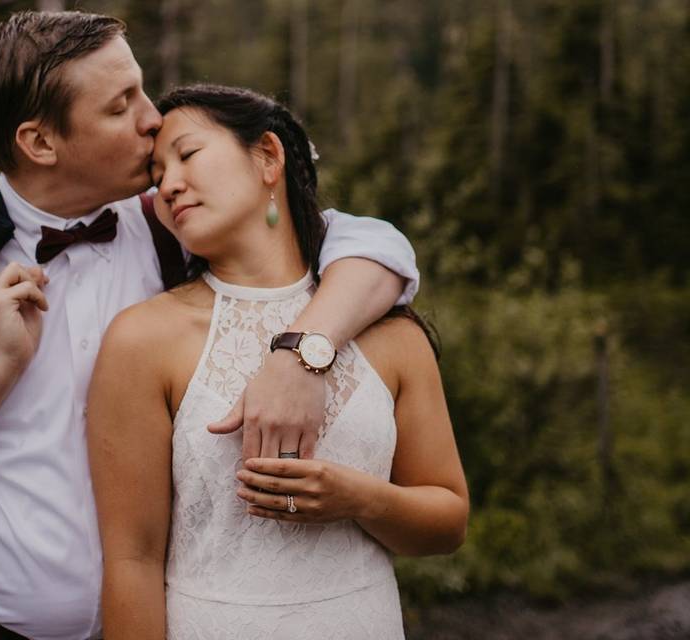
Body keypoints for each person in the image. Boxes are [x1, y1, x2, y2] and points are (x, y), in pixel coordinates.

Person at [0, 11, 421, 640]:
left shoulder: (171, 226)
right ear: (40, 143)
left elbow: (374, 246)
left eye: (142, 89)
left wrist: (299, 352)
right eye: (121, 104)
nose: (152, 118)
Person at [88, 84, 469, 640]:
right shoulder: (142, 339)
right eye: (156, 175)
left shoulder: (389, 331)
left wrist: (358, 498)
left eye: (188, 155)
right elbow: (132, 562)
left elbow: (448, 523)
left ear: (267, 156)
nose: (168, 185)